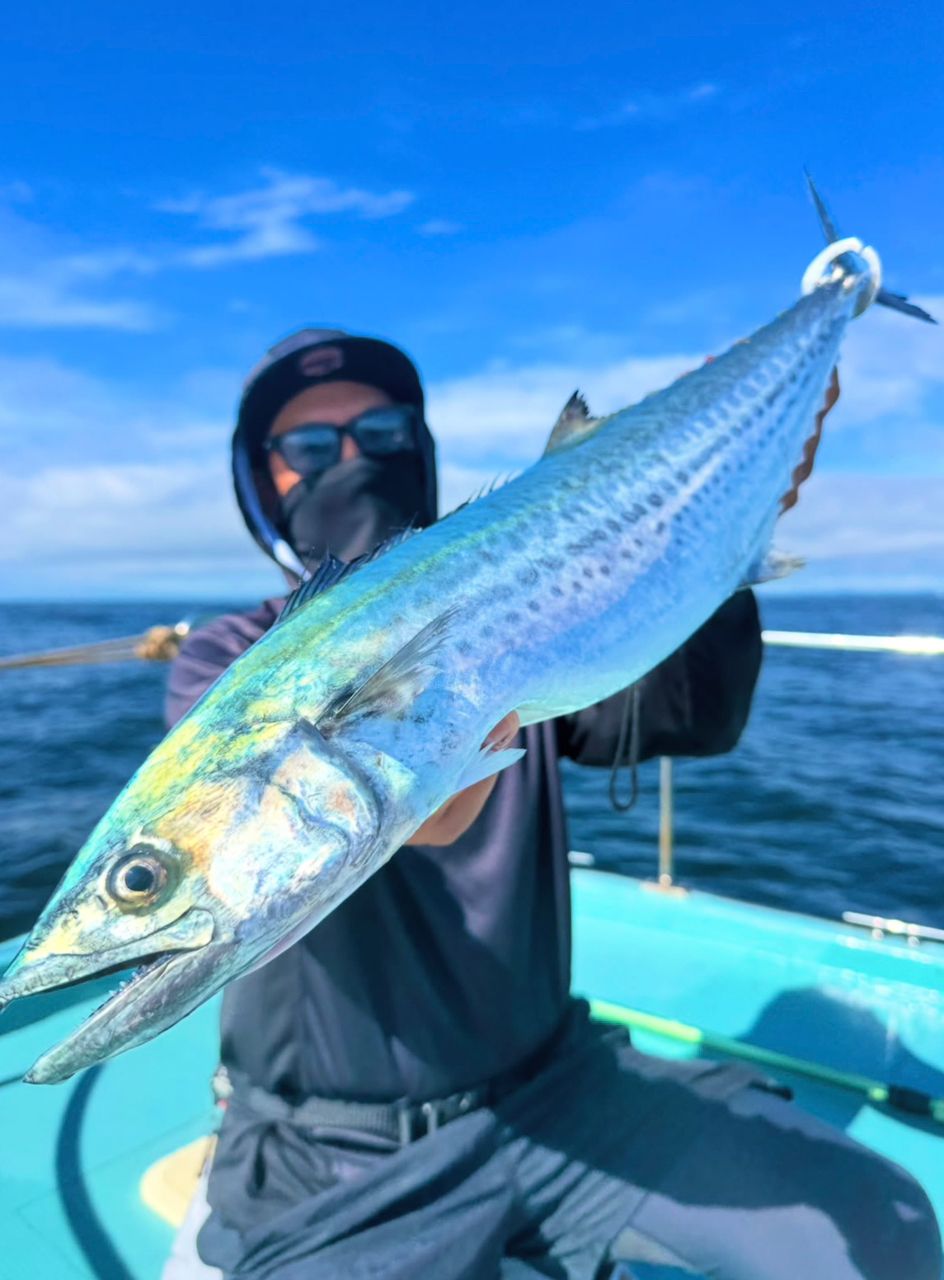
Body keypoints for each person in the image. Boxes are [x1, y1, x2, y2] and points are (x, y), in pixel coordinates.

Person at [163, 330, 939, 1280]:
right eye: (312, 447)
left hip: (560, 1087)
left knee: (888, 1226)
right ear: (263, 479)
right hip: (330, 1152)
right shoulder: (226, 664)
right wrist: (401, 740)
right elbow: (369, 814)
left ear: (421, 449)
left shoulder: (527, 622)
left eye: (384, 433)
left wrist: (714, 507)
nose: (354, 463)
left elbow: (687, 712)